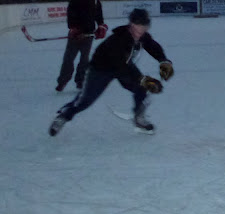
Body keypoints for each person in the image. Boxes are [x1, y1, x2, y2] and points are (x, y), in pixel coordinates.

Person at [48, 8, 174, 137]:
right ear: (130, 24)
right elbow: (122, 64)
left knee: (142, 88)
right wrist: (143, 79)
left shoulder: (143, 36)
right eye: (137, 25)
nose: (140, 30)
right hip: (100, 69)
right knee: (85, 100)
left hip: (123, 68)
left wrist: (164, 61)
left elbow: (152, 46)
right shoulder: (118, 39)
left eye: (144, 26)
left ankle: (139, 118)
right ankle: (63, 116)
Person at [55, 0, 108, 92]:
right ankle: (62, 81)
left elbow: (99, 18)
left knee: (84, 60)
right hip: (75, 35)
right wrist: (74, 29)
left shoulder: (96, 2)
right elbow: (70, 17)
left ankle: (81, 81)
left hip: (88, 35)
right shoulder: (75, 0)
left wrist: (101, 27)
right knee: (68, 59)